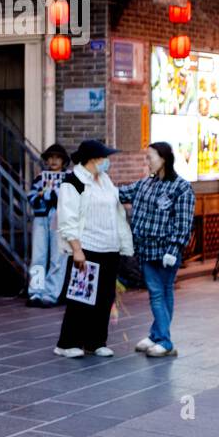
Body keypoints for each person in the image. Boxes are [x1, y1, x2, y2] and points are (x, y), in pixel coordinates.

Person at [54, 139, 134, 358]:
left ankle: (96, 341)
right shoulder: (73, 181)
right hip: (87, 247)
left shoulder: (105, 180)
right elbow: (67, 219)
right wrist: (76, 249)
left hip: (110, 247)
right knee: (81, 297)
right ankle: (67, 343)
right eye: (104, 157)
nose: (107, 161)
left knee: (105, 298)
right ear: (93, 159)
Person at [120, 142, 194, 358]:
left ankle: (165, 341)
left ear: (163, 159)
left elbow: (183, 223)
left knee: (157, 293)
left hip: (166, 252)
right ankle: (156, 335)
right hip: (146, 249)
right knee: (162, 292)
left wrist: (174, 248)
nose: (147, 162)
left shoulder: (181, 188)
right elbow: (121, 194)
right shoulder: (145, 184)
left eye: (150, 157)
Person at [27, 144, 70, 307]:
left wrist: (45, 195)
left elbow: (67, 198)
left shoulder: (69, 177)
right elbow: (31, 197)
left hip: (60, 218)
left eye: (57, 157)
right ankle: (35, 292)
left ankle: (51, 294)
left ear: (63, 161)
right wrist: (50, 196)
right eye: (50, 157)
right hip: (41, 217)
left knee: (57, 257)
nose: (53, 160)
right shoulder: (40, 177)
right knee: (38, 255)